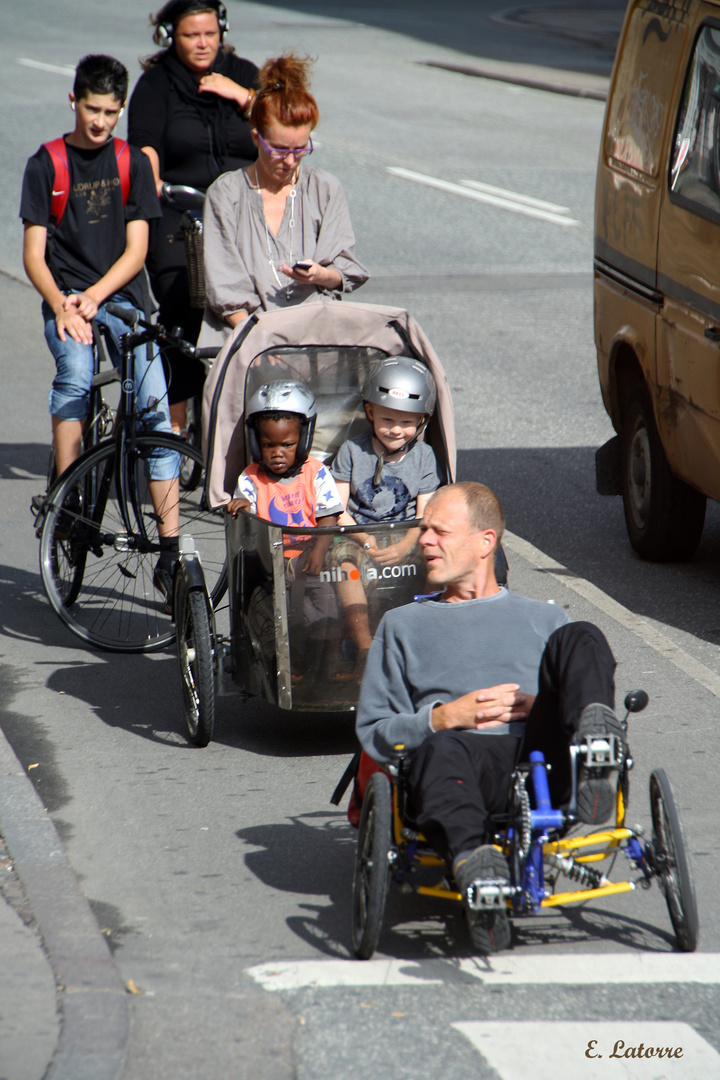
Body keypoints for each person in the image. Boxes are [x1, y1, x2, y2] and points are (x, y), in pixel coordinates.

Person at [356, 482, 627, 950]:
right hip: (458, 765)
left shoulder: (544, 618)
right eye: (424, 530)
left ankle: (597, 750)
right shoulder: (402, 625)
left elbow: (562, 682)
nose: (423, 541)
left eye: (439, 531)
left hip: (542, 759)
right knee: (442, 747)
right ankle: (478, 868)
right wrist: (443, 717)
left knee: (582, 633)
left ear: (486, 543)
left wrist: (542, 702)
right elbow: (374, 731)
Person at [20, 54, 180, 601]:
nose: (101, 122)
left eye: (112, 112)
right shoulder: (48, 164)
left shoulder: (131, 162)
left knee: (156, 407)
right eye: (92, 109)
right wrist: (65, 305)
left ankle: (171, 545)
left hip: (120, 298)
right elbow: (34, 256)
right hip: (65, 299)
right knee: (75, 373)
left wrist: (96, 296)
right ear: (73, 99)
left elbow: (138, 251)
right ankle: (68, 501)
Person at [128, 0, 259, 434]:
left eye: (209, 33)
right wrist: (156, 190)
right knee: (182, 304)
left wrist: (242, 98)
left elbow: (282, 127)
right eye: (190, 35)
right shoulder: (155, 84)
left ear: (221, 30)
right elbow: (144, 148)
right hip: (178, 214)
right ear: (170, 37)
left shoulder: (243, 75)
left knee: (256, 307)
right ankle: (174, 429)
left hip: (242, 215)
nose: (202, 43)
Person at [198, 53, 369, 349]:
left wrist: (320, 274)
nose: (290, 161)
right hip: (245, 335)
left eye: (300, 149)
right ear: (255, 138)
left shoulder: (324, 188)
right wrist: (263, 341)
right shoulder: (226, 193)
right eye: (278, 150)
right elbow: (226, 289)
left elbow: (345, 271)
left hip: (314, 334)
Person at [227, 380, 345, 671]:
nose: (277, 452)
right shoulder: (251, 478)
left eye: (287, 444)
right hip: (272, 562)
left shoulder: (316, 472)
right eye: (268, 445)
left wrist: (319, 551)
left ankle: (331, 656)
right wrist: (242, 504)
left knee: (327, 604)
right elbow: (246, 510)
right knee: (287, 611)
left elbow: (328, 516)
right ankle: (289, 663)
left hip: (311, 554)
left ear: (303, 440)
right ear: (256, 442)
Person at [330, 356, 441, 661]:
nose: (396, 430)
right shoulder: (353, 450)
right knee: (345, 568)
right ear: (370, 412)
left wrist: (407, 545)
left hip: (410, 535)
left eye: (406, 422)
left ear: (421, 420)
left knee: (438, 562)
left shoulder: (424, 456)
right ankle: (365, 648)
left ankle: (425, 634)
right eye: (387, 420)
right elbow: (337, 509)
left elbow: (426, 513)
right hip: (357, 535)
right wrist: (364, 539)